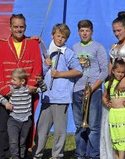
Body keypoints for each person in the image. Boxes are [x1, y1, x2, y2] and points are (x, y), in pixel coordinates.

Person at [0, 14, 43, 159]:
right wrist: (5, 90)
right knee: (4, 129)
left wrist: (30, 87)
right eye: (15, 26)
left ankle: (23, 154)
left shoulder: (33, 44)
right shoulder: (1, 44)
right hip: (7, 95)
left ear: (25, 27)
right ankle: (2, 155)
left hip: (26, 96)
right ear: (10, 28)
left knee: (26, 128)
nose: (18, 29)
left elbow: (37, 68)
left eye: (21, 26)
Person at [33, 23, 83, 159]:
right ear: (53, 35)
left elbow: (78, 70)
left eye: (63, 37)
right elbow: (42, 73)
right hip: (47, 97)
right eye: (58, 35)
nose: (60, 39)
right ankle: (37, 154)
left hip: (62, 98)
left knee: (60, 131)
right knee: (42, 129)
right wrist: (45, 64)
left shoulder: (68, 53)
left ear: (66, 39)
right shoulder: (47, 52)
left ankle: (57, 155)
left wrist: (60, 74)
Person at [101, 11, 125, 159]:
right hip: (113, 88)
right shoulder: (113, 46)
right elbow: (110, 68)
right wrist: (110, 84)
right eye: (114, 31)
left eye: (119, 30)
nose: (117, 33)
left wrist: (124, 80)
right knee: (111, 126)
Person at [71, 19, 109, 159]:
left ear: (92, 32)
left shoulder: (98, 47)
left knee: (93, 126)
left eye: (87, 30)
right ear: (78, 32)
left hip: (93, 90)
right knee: (79, 125)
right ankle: (80, 154)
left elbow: (104, 71)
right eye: (82, 30)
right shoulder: (74, 47)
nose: (84, 33)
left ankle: (93, 155)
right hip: (77, 90)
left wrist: (93, 88)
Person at [0, 69, 44, 159]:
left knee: (22, 142)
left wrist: (40, 82)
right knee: (13, 142)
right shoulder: (11, 89)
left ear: (22, 81)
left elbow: (43, 89)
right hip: (13, 120)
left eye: (14, 80)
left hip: (26, 121)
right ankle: (15, 157)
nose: (11, 81)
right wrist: (6, 103)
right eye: (11, 79)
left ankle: (22, 156)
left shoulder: (28, 89)